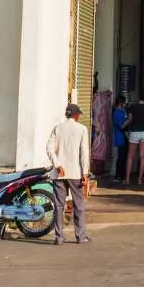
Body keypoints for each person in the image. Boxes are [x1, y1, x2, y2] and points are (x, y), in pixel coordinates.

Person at [47, 103, 91, 244]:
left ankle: (59, 237)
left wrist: (57, 165)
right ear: (76, 115)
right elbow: (84, 154)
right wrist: (85, 173)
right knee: (79, 204)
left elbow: (49, 149)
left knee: (59, 206)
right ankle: (80, 236)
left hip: (59, 173)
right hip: (75, 172)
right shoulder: (81, 129)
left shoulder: (57, 128)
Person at [124, 90, 144, 186]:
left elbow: (130, 119)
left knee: (130, 156)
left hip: (134, 132)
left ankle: (127, 179)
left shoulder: (132, 107)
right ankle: (140, 179)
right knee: (143, 156)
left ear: (138, 97)